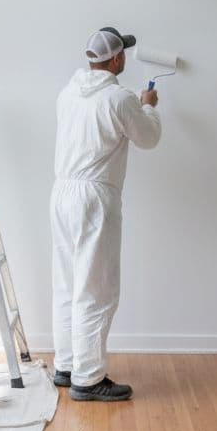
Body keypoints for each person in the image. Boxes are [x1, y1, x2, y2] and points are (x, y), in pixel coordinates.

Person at [50, 26, 161, 401]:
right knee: (96, 288)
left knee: (67, 284)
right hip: (94, 197)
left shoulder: (67, 93)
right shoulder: (120, 98)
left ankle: (67, 366)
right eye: (123, 53)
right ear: (115, 59)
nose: (125, 57)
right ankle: (88, 379)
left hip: (61, 193)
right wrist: (148, 105)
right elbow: (148, 138)